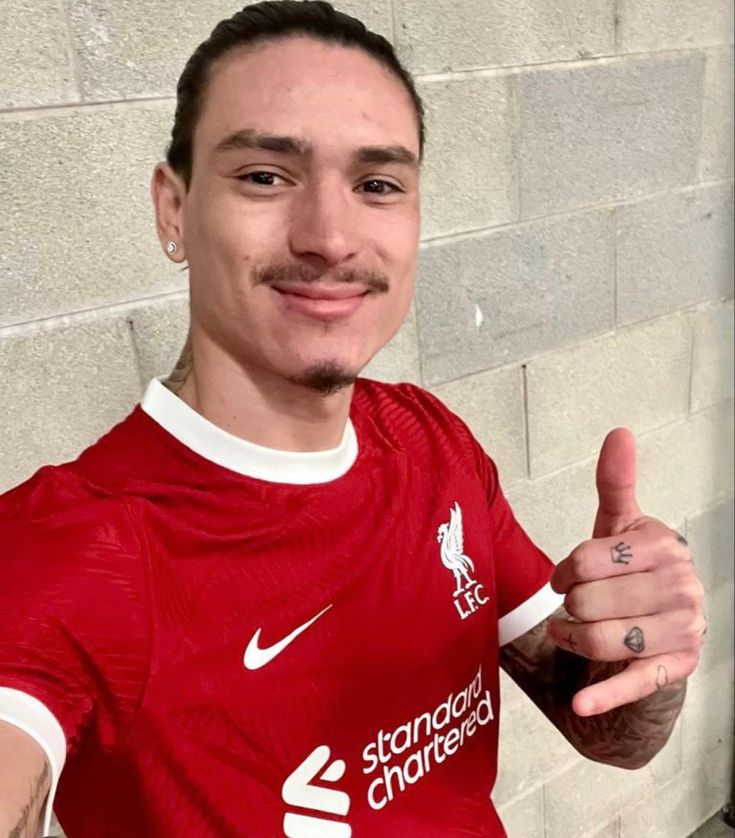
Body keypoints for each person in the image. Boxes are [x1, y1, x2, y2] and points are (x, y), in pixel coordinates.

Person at [0, 2, 706, 836]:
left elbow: (606, 733)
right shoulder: (69, 552)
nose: (331, 237)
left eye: (376, 184)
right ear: (173, 209)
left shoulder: (429, 439)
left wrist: (647, 655)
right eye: (265, 174)